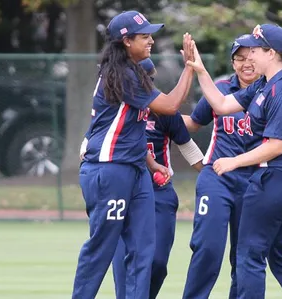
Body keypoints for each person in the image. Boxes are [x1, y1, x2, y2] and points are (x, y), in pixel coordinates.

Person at [71, 10, 196, 299]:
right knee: (102, 247)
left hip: (136, 169)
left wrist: (152, 163)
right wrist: (190, 67)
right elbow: (170, 105)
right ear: (126, 41)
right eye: (144, 36)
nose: (150, 40)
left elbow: (133, 130)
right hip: (109, 169)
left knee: (143, 250)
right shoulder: (123, 73)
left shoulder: (133, 72)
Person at [186, 24, 282, 298]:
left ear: (270, 53)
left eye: (255, 50)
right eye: (243, 55)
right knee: (281, 254)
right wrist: (200, 70)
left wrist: (233, 162)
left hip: (277, 178)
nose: (249, 57)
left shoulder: (280, 89)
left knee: (248, 254)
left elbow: (277, 146)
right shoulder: (264, 84)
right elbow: (221, 105)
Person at [110, 58, 204, 299]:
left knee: (158, 263)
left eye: (148, 79)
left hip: (158, 193)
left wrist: (213, 175)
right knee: (125, 264)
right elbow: (94, 137)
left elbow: (188, 148)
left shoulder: (163, 110)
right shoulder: (115, 107)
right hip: (125, 191)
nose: (144, 84)